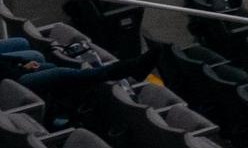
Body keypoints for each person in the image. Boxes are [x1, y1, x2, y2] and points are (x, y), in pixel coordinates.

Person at [5, 39, 161, 104]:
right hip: (8, 82)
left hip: (9, 69)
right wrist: (19, 68)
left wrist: (21, 62)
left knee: (40, 60)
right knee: (61, 73)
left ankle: (64, 97)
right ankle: (130, 68)